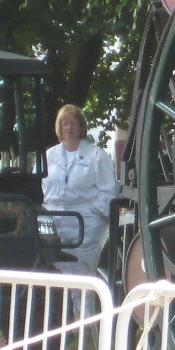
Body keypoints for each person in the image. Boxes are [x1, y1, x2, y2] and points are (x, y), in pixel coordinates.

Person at [42, 104, 117, 277]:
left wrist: (91, 215)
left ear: (81, 126)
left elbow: (108, 193)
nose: (69, 128)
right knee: (56, 278)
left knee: (82, 279)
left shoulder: (97, 156)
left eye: (73, 123)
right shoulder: (48, 156)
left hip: (85, 228)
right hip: (53, 229)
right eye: (65, 123)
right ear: (59, 127)